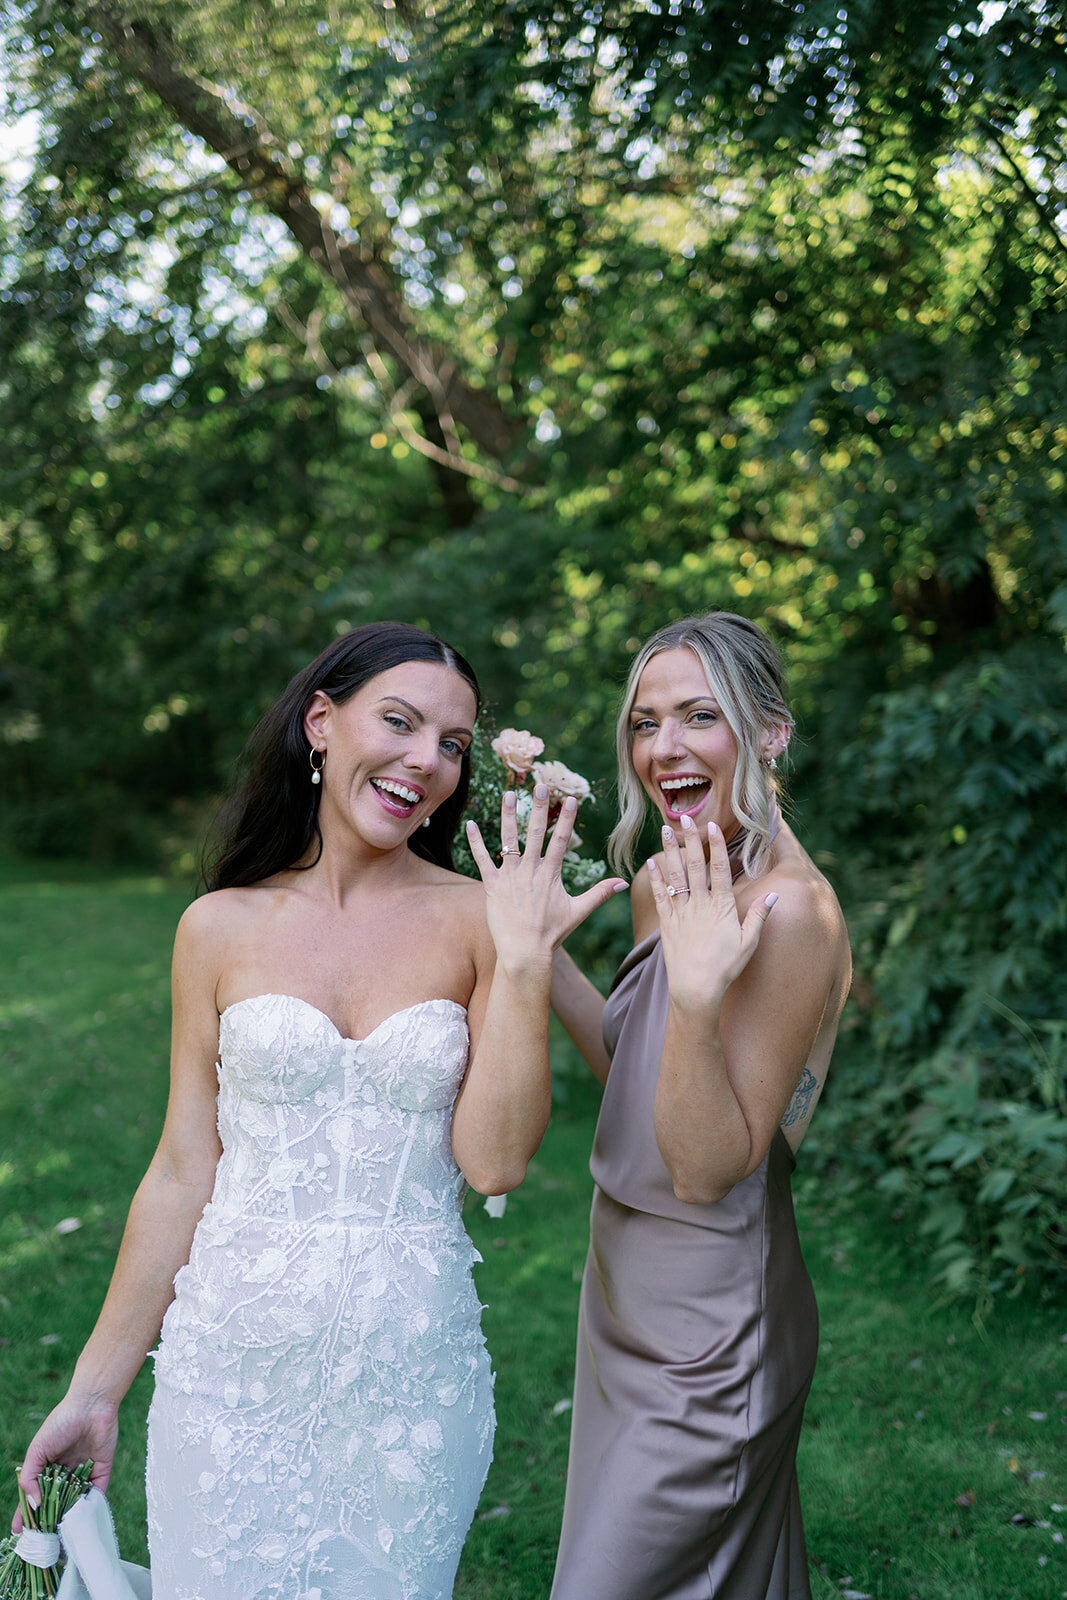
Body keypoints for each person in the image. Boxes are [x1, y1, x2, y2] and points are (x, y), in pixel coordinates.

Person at [16, 620, 626, 1600]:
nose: (426, 760)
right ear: (320, 722)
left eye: (453, 744)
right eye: (400, 721)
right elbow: (182, 1168)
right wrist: (94, 1392)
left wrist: (520, 963)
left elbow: (497, 1161)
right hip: (225, 1376)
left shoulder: (481, 918)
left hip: (408, 1387)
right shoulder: (215, 928)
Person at [548, 612, 851, 1600]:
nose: (661, 749)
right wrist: (534, 953)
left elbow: (704, 1161)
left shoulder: (787, 912)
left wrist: (697, 990)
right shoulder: (663, 883)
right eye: (642, 722)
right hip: (621, 1295)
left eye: (696, 716)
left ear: (769, 734)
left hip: (711, 1329)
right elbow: (634, 1071)